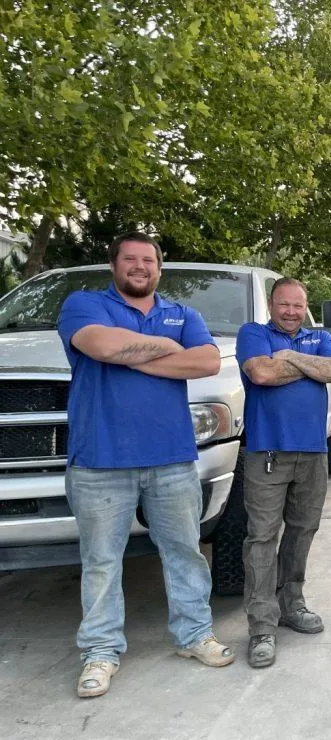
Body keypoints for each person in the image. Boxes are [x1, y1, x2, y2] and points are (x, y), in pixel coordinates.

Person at [57, 232, 234, 699]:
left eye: (148, 260)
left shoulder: (185, 313)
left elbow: (207, 361)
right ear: (113, 265)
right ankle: (100, 651)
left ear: (160, 267)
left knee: (184, 552)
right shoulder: (83, 304)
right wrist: (169, 349)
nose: (140, 266)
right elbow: (100, 346)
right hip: (100, 459)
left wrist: (129, 355)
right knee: (101, 561)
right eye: (130, 259)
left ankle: (194, 634)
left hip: (172, 458)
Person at [235, 278, 331, 668]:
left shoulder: (320, 337)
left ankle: (291, 603)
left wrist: (288, 358)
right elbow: (261, 374)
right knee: (262, 537)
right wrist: (309, 366)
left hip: (313, 453)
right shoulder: (252, 333)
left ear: (306, 307)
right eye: (284, 304)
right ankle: (261, 626)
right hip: (267, 452)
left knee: (302, 531)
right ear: (271, 304)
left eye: (298, 305)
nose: (291, 312)